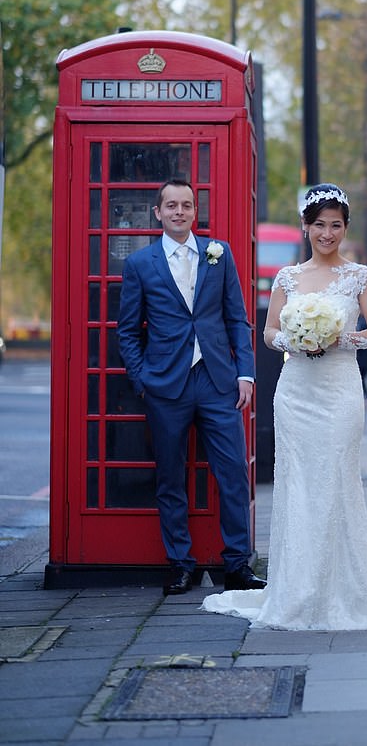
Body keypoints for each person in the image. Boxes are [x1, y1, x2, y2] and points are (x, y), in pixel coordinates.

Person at [201, 183, 367, 629]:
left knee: (336, 479)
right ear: (306, 227)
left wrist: (343, 338)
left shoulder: (361, 277)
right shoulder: (287, 278)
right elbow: (269, 332)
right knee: (297, 485)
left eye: (335, 225)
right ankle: (298, 588)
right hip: (297, 392)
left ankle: (344, 588)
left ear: (345, 228)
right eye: (319, 225)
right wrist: (295, 339)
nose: (327, 234)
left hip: (339, 389)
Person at [117, 179, 266, 596]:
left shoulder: (219, 255)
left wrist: (246, 373)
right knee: (170, 477)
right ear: (158, 213)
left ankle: (237, 564)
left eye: (186, 205)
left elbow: (238, 319)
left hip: (218, 381)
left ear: (194, 211)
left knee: (234, 472)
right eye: (171, 205)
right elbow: (127, 331)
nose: (179, 211)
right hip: (166, 385)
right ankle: (180, 563)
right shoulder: (141, 264)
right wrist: (142, 379)